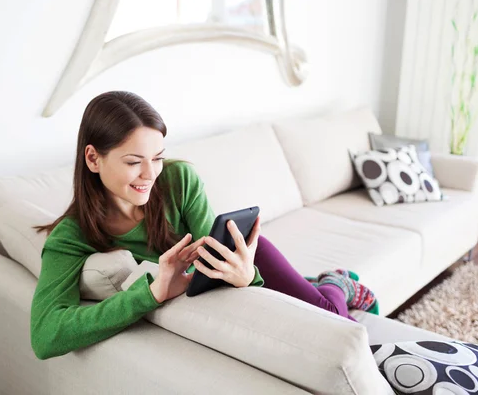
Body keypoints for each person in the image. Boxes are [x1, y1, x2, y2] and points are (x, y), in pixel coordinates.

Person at [30, 91, 378, 360]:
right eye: (134, 161)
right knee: (329, 324)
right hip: (228, 276)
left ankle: (336, 283)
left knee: (335, 319)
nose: (150, 175)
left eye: (158, 158)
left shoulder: (179, 179)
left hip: (249, 259)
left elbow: (215, 251)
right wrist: (151, 293)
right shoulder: (71, 237)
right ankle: (318, 282)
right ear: (93, 158)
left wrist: (246, 277)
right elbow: (46, 336)